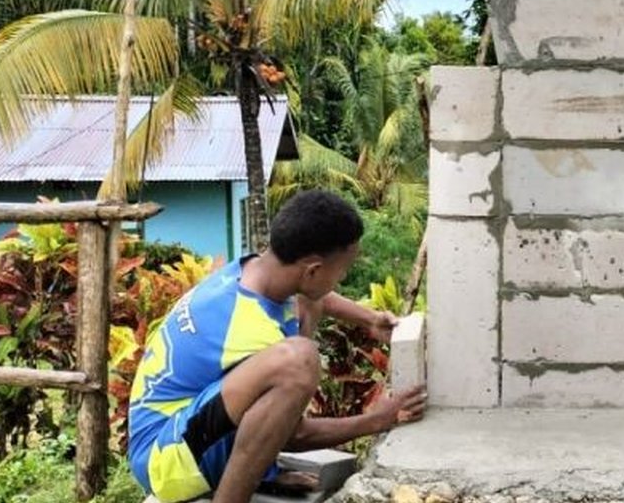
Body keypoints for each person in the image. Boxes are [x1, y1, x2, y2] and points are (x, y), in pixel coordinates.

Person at [127, 191, 427, 503]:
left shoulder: (254, 272)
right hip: (162, 462)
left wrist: (369, 319)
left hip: (179, 431)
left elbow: (315, 295)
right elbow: (295, 434)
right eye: (343, 270)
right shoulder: (248, 326)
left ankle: (260, 473)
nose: (343, 277)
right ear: (312, 270)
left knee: (308, 308)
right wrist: (378, 419)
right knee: (298, 361)